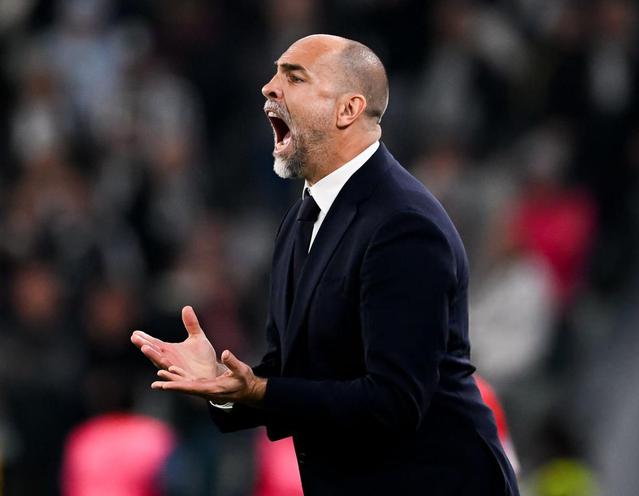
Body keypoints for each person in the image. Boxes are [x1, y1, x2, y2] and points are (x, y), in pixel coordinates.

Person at [131, 34, 519, 495]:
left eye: (294, 78)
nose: (269, 87)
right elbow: (291, 372)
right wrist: (221, 385)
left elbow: (395, 401)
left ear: (348, 109)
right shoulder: (301, 218)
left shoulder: (404, 224)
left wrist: (260, 390)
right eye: (275, 73)